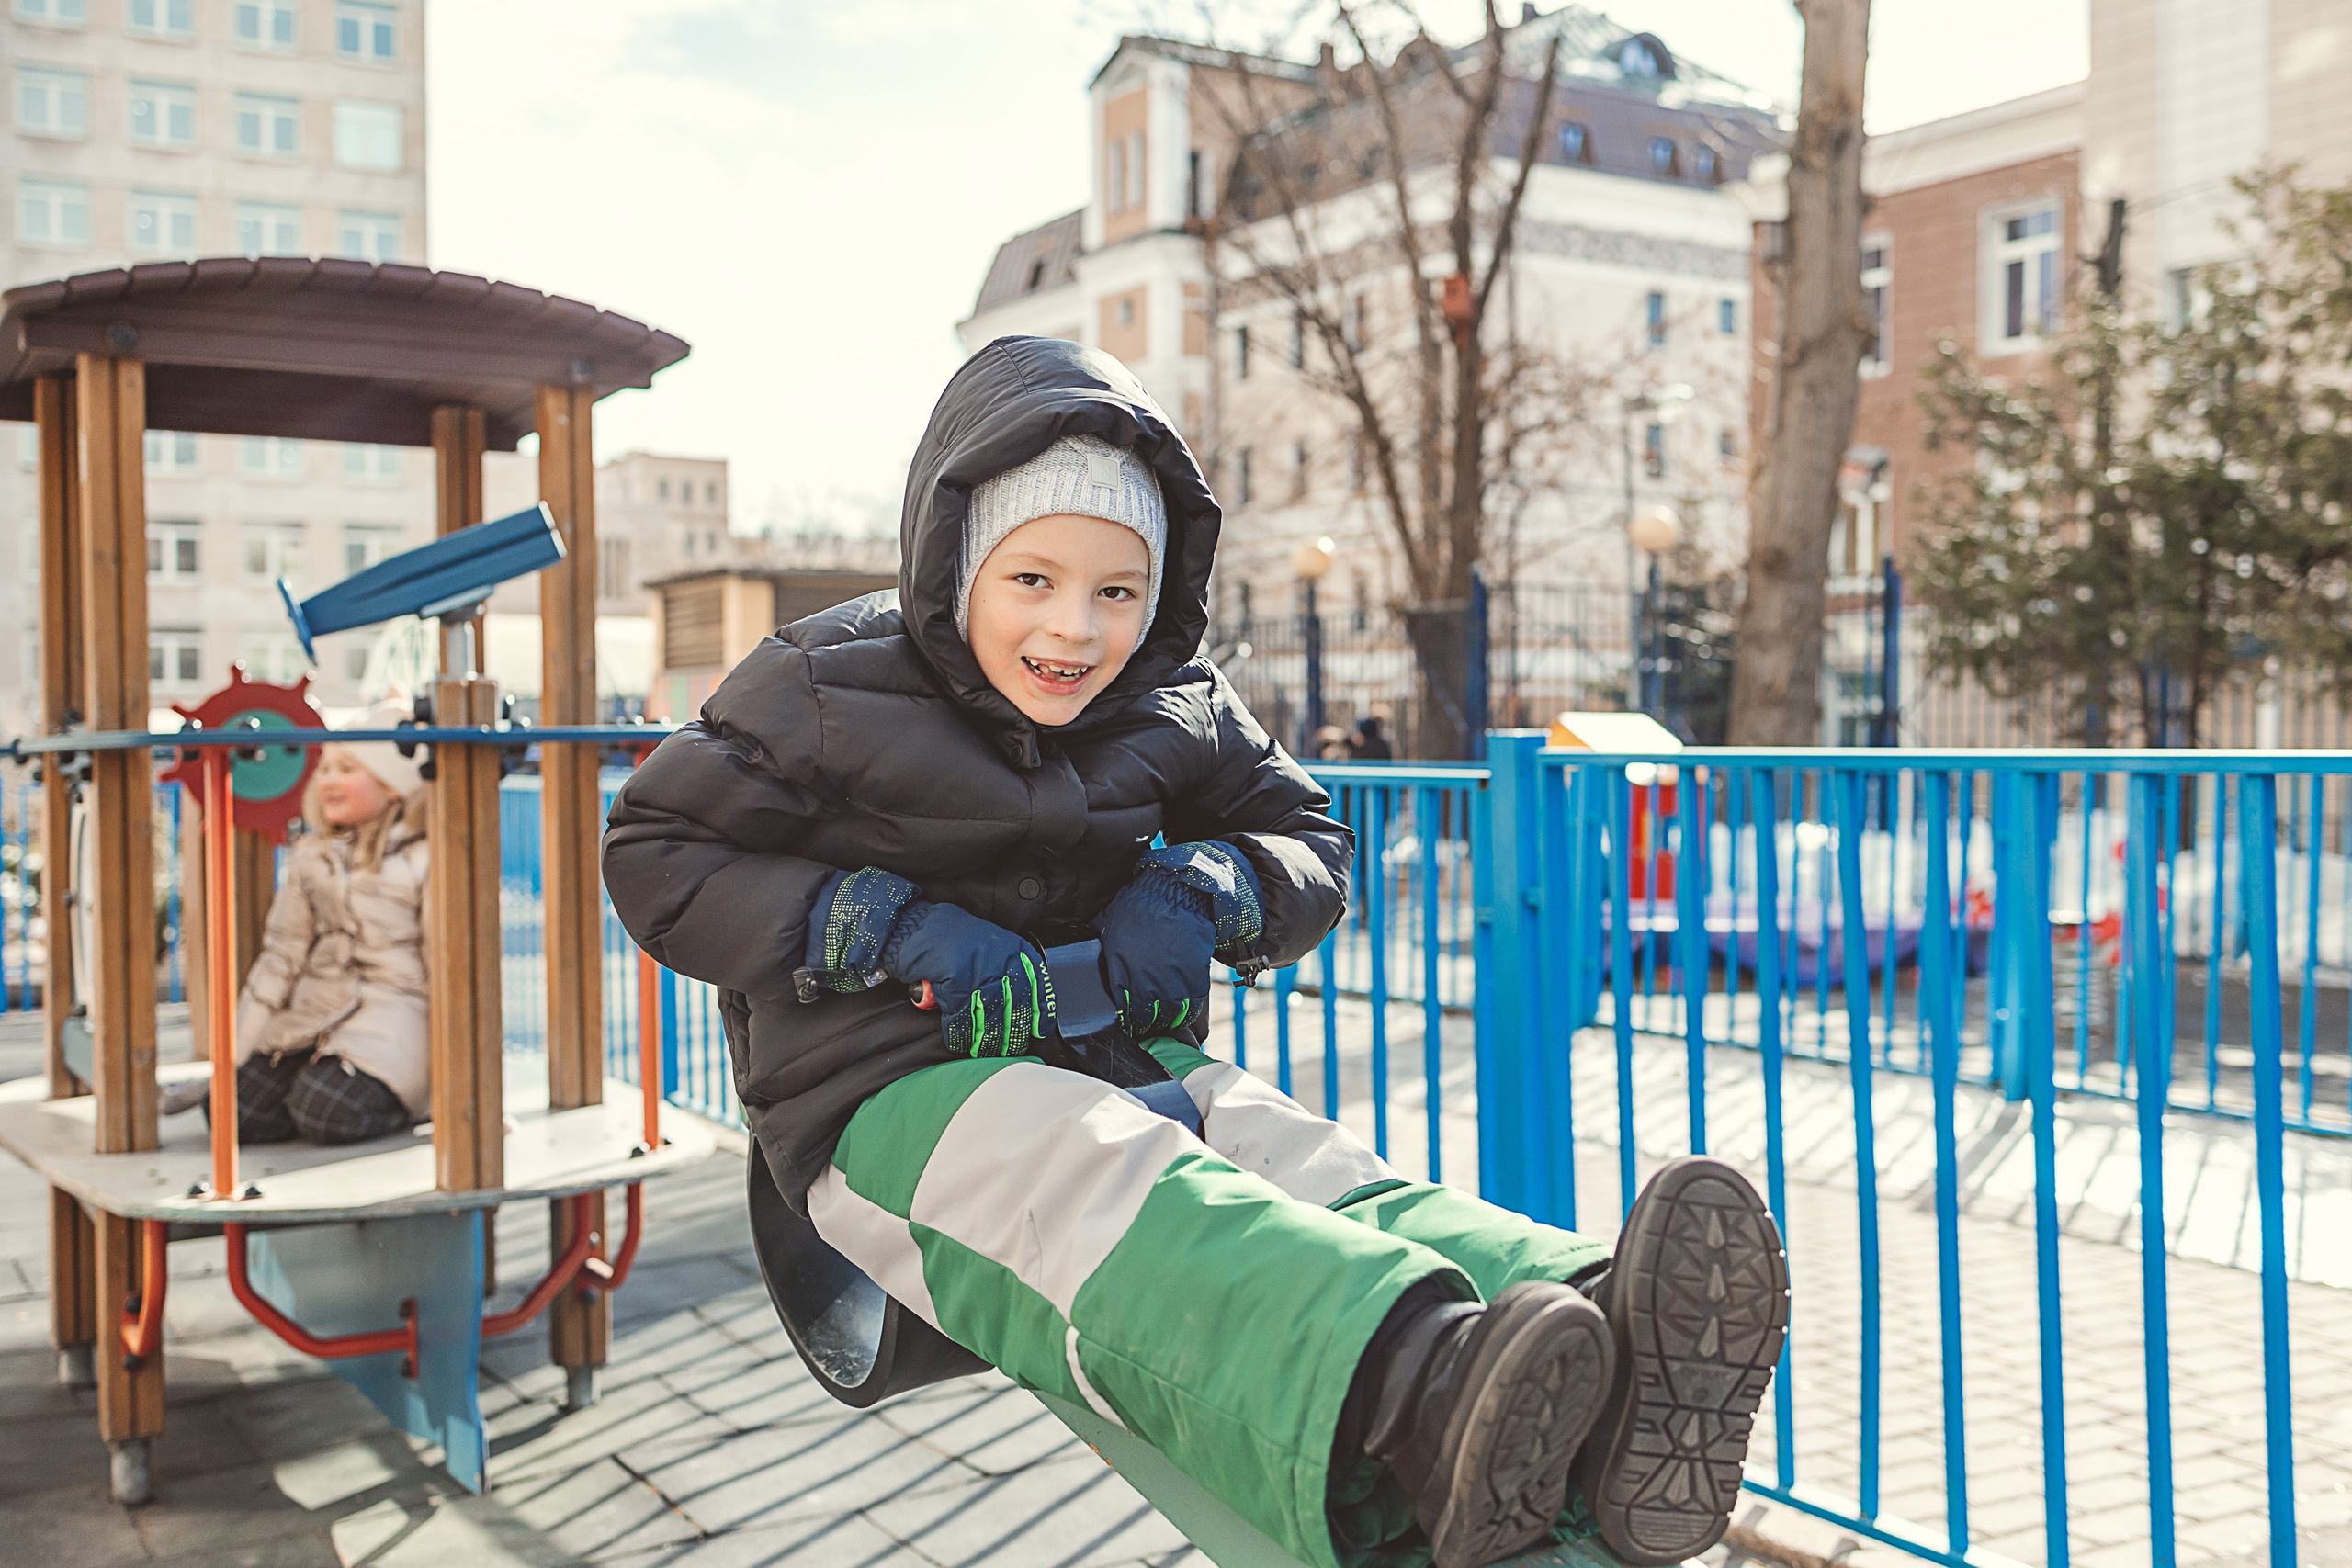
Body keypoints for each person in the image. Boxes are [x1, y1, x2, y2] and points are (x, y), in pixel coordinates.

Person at [604, 338, 1788, 1568]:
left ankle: (1614, 1346)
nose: (1074, 628)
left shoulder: (1177, 699)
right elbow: (655, 846)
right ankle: (1421, 1386)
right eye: (1034, 579)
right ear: (956, 559)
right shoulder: (824, 680)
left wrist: (1209, 884)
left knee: (1301, 1164)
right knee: (1113, 1181)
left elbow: (1313, 835)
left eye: (1118, 591)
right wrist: (881, 921)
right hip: (884, 1089)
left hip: (1120, 1049)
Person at [171, 699, 431, 1145]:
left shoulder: (423, 857)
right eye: (325, 768)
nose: (329, 780)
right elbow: (283, 953)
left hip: (395, 1012)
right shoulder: (313, 855)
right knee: (231, 1110)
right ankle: (307, 1090)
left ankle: (397, 1105)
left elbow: (447, 963)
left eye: (348, 768)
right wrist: (236, 1055)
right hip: (318, 1012)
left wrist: (461, 1094)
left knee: (328, 1110)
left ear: (393, 787)